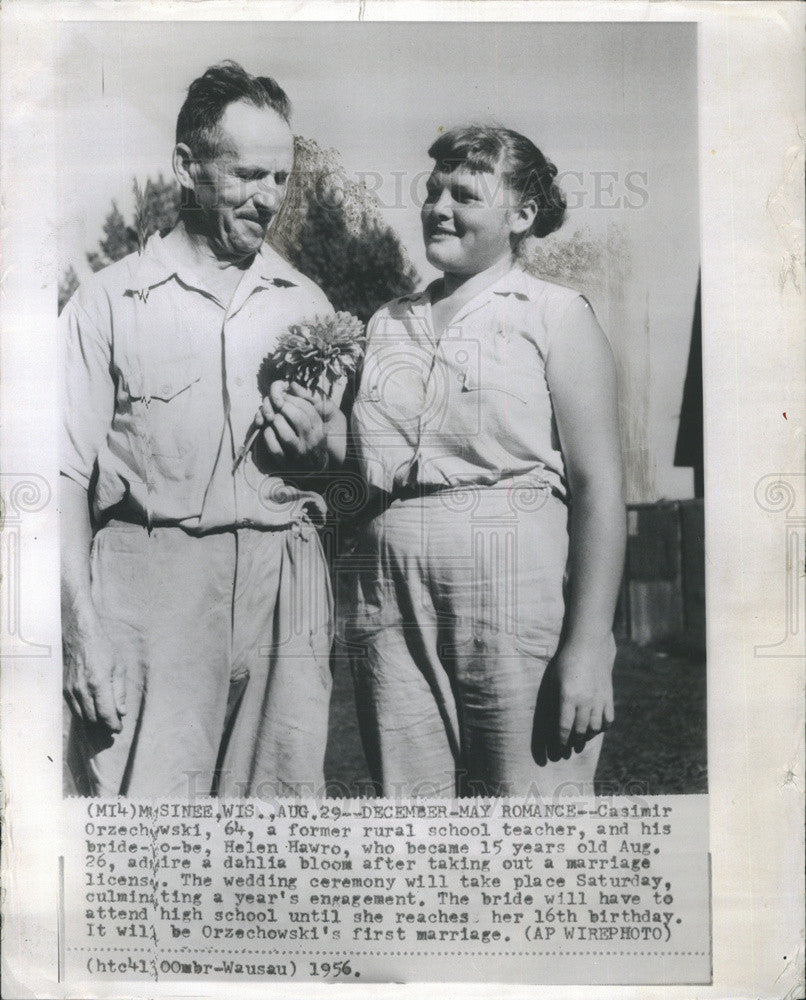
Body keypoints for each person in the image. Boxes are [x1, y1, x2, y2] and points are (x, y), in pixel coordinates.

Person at [61, 62, 346, 798]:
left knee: (275, 847)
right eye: (248, 175)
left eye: (281, 179)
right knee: (144, 839)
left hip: (284, 589)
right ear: (187, 166)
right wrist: (80, 629)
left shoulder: (305, 303)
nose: (268, 199)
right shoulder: (109, 301)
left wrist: (324, 454)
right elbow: (59, 480)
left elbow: (342, 479)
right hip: (153, 592)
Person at [347, 125, 626, 797]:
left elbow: (598, 486)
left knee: (530, 818)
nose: (438, 208)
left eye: (465, 194)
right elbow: (358, 466)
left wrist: (590, 643)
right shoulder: (387, 322)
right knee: (412, 831)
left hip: (512, 583)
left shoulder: (555, 315)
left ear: (521, 215)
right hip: (385, 595)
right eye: (432, 191)